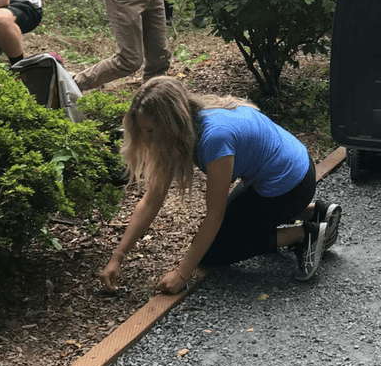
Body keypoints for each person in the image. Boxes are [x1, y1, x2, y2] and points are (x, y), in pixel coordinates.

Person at [99, 77, 342, 295]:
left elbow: (214, 215)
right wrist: (117, 258)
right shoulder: (194, 117)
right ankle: (313, 210)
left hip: (291, 186)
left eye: (150, 130)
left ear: (171, 124)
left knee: (215, 252)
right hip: (289, 171)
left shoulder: (214, 139)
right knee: (220, 237)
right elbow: (151, 200)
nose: (147, 138)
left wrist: (183, 274)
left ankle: (303, 235)